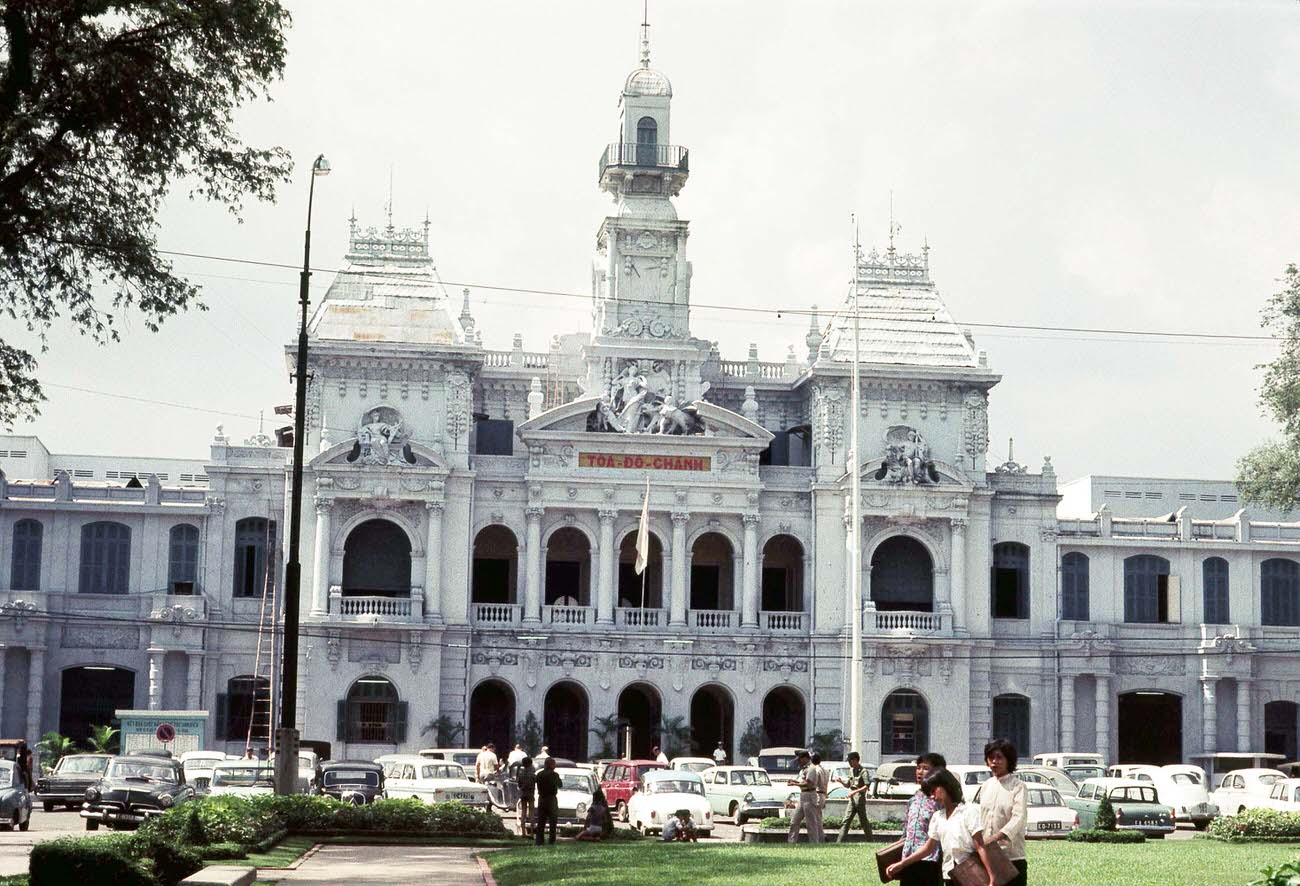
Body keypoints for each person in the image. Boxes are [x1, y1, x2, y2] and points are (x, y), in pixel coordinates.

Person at [888, 768, 997, 886]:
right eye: (929, 793)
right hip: (950, 875)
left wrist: (992, 878)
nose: (932, 796)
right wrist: (902, 864)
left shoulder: (968, 812)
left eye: (934, 791)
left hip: (973, 873)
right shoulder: (937, 817)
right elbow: (928, 848)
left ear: (946, 785)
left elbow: (980, 846)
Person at [979, 738, 1028, 886]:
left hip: (1011, 856)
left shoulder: (1018, 786)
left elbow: (1018, 818)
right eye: (991, 758)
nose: (995, 762)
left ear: (1009, 760)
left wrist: (997, 837)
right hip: (988, 856)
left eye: (999, 757)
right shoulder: (986, 786)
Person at [895, 753, 946, 886]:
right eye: (918, 768)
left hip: (930, 860)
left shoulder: (940, 801)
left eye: (925, 768)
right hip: (908, 858)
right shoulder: (914, 798)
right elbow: (906, 830)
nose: (920, 772)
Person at [785, 749, 825, 843]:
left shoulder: (811, 768)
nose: (799, 761)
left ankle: (814, 842)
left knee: (811, 822)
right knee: (794, 821)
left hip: (810, 795)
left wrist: (795, 784)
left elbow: (808, 784)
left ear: (805, 758)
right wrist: (795, 781)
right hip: (803, 796)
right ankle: (791, 841)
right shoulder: (804, 769)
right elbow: (803, 782)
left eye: (800, 759)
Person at [835, 751, 873, 842]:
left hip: (859, 797)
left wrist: (855, 792)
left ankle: (870, 840)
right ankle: (839, 841)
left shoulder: (863, 771)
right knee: (846, 820)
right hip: (852, 798)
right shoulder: (851, 771)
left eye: (850, 761)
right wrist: (841, 782)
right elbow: (848, 785)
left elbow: (866, 786)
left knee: (863, 821)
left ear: (856, 760)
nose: (849, 763)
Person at [534, 757, 562, 845]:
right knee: (553, 821)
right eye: (554, 764)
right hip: (551, 798)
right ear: (551, 765)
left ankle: (539, 840)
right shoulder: (554, 775)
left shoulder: (539, 774)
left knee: (541, 820)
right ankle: (551, 840)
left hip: (541, 798)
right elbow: (560, 785)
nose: (555, 766)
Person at [515, 757, 536, 838]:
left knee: (523, 813)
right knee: (531, 813)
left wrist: (522, 788)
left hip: (523, 794)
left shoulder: (521, 773)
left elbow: (519, 784)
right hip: (530, 794)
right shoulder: (532, 774)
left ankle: (523, 832)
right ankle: (531, 833)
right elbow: (535, 782)